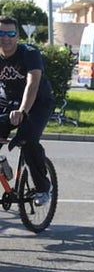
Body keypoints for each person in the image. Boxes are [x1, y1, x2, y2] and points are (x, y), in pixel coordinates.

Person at [0, 16, 54, 205]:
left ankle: (43, 188)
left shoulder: (29, 53)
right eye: (1, 33)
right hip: (9, 101)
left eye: (10, 34)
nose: (5, 38)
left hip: (38, 102)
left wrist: (22, 111)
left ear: (17, 36)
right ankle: (3, 166)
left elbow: (32, 84)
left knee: (28, 139)